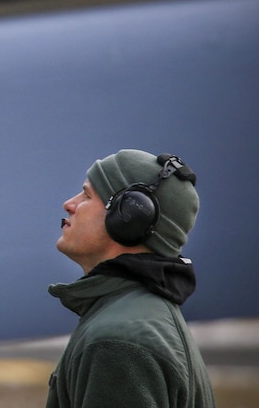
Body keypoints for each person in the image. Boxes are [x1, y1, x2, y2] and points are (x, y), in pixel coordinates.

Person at [46, 149, 215, 407]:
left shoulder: (117, 342)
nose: (69, 204)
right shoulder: (136, 318)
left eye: (87, 195)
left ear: (129, 218)